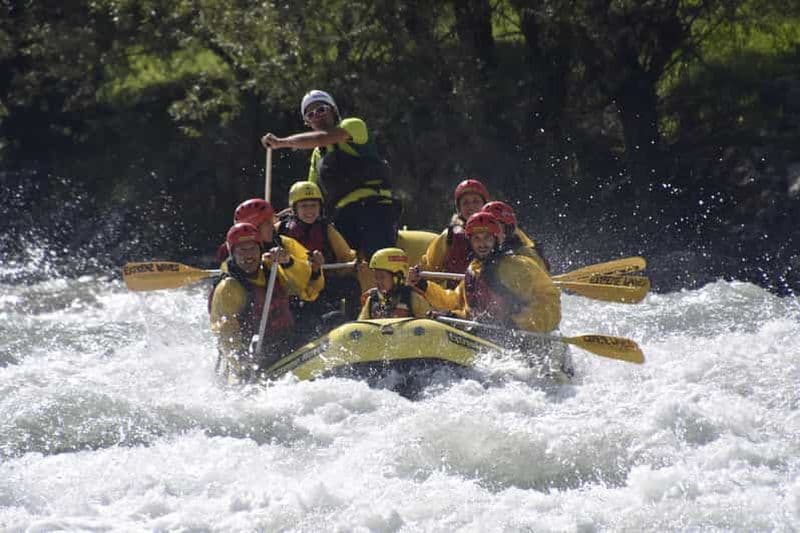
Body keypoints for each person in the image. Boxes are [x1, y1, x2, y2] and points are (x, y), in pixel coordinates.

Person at [261, 90, 400, 260]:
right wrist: (282, 215)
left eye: (321, 110)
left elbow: (322, 138)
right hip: (342, 216)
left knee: (377, 257)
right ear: (308, 122)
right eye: (310, 114)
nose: (317, 116)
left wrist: (281, 143)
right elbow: (310, 193)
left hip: (374, 208)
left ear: (333, 110)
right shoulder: (317, 155)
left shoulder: (353, 125)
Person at [409, 212, 560, 334]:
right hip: (485, 338)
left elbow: (550, 301)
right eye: (476, 239)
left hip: (520, 339)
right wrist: (423, 285)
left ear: (496, 239)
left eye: (487, 238)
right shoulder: (473, 269)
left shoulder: (516, 266)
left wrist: (516, 322)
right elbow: (455, 301)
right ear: (470, 242)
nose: (482, 244)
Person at [209, 223, 316, 383]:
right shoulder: (229, 288)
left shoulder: (271, 268)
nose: (248, 255)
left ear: (260, 250)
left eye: (252, 248)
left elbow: (303, 287)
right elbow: (226, 334)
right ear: (233, 254)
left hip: (285, 341)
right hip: (253, 354)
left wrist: (288, 262)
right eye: (242, 250)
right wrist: (242, 363)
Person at [276, 180, 365, 321]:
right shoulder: (280, 228)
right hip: (292, 285)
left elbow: (345, 255)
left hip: (321, 282)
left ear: (320, 207)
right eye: (304, 206)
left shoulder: (325, 228)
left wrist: (354, 263)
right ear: (294, 208)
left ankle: (353, 323)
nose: (309, 211)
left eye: (313, 206)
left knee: (352, 285)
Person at [220, 198, 325, 303]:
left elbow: (310, 288)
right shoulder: (233, 257)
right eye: (267, 223)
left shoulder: (285, 243)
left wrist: (292, 264)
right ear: (254, 228)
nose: (273, 226)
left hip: (293, 304)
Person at [421, 178, 489, 287]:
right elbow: (430, 268)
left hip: (491, 292)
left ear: (485, 205)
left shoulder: (499, 231)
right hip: (456, 293)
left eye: (476, 201)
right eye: (465, 203)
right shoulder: (449, 236)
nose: (471, 206)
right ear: (459, 209)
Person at [358, 248, 431, 319]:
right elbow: (362, 323)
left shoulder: (413, 298)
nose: (377, 281)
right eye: (376, 277)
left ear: (397, 277)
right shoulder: (372, 299)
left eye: (382, 277)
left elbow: (427, 323)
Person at [481, 200, 550, 272]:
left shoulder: (522, 256)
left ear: (506, 230)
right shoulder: (481, 251)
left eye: (494, 226)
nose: (489, 232)